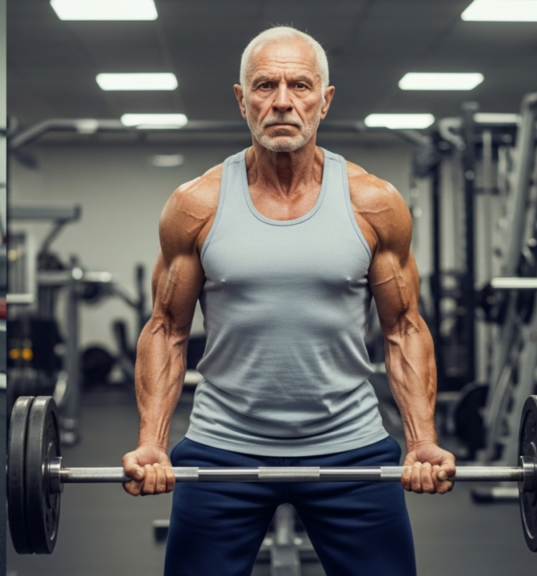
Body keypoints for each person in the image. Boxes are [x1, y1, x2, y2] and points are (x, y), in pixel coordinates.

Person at [121, 26, 455, 576]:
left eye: (299, 86)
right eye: (264, 86)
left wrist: (421, 442)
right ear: (241, 99)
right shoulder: (196, 203)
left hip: (350, 444)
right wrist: (152, 444)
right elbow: (166, 330)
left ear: (324, 100)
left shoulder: (373, 202)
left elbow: (404, 328)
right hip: (222, 445)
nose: (281, 101)